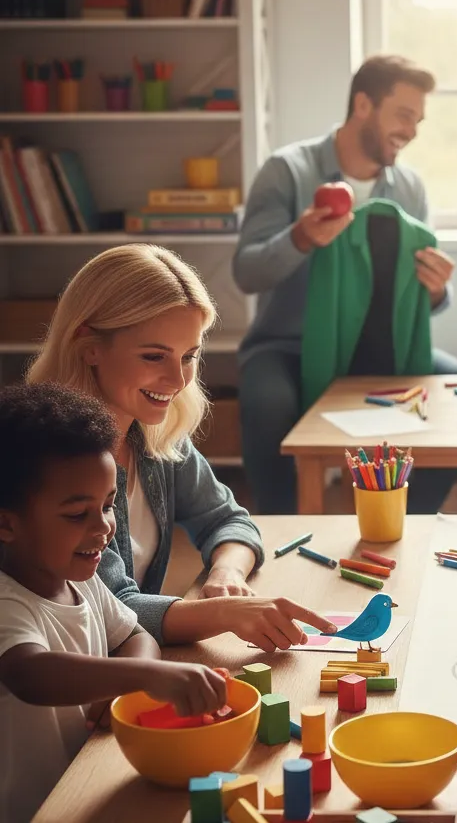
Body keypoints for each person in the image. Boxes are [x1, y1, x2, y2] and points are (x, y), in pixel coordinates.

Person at [27, 244, 338, 651]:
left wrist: (226, 573)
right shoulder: (54, 461)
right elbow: (111, 611)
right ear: (89, 347)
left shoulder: (153, 436)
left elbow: (227, 518)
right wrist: (226, 614)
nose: (177, 381)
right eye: (154, 356)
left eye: (189, 356)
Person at [233, 54, 457, 515]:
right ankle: (277, 527)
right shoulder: (287, 171)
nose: (412, 131)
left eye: (418, 120)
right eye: (403, 114)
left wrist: (438, 290)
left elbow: (423, 296)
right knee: (266, 402)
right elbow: (246, 272)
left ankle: (403, 518)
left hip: (383, 349)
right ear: (363, 104)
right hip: (290, 346)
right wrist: (300, 238)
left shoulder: (409, 189)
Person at [0, 383, 228, 823]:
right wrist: (147, 677)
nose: (103, 527)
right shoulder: (9, 602)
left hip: (82, 786)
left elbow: (134, 634)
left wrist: (124, 683)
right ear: (6, 524)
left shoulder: (78, 579)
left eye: (107, 505)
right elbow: (31, 674)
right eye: (76, 514)